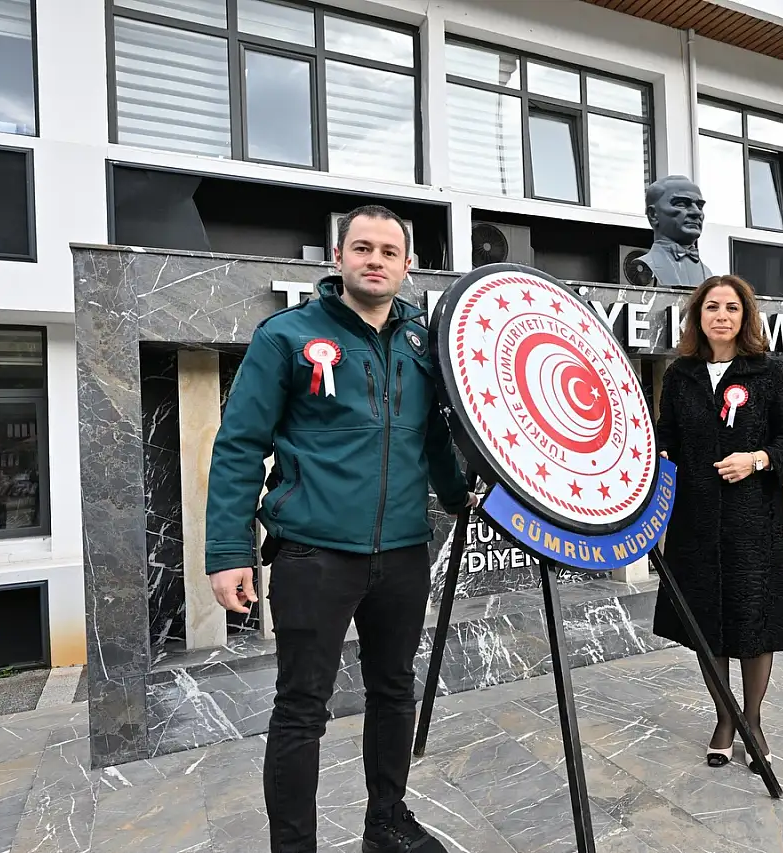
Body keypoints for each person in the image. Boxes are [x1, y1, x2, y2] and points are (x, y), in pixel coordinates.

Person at [203, 204, 476, 853]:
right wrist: (226, 549)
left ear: (407, 265)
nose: (375, 258)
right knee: (302, 707)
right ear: (338, 258)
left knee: (394, 689)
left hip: (405, 549)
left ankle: (387, 820)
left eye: (388, 250)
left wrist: (459, 496)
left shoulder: (421, 344)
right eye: (362, 247)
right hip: (313, 553)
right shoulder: (288, 336)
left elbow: (437, 434)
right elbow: (240, 443)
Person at [651, 274, 783, 773]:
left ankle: (753, 719)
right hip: (694, 521)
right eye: (712, 307)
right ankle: (725, 719)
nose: (722, 315)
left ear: (746, 316)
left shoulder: (770, 373)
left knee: (753, 621)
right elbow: (665, 439)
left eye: (732, 308)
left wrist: (758, 459)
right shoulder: (680, 376)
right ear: (698, 316)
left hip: (752, 520)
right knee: (707, 624)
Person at [632, 175, 713, 288]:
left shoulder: (708, 275)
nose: (697, 212)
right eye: (681, 204)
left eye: (699, 206)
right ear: (653, 215)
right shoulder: (645, 267)